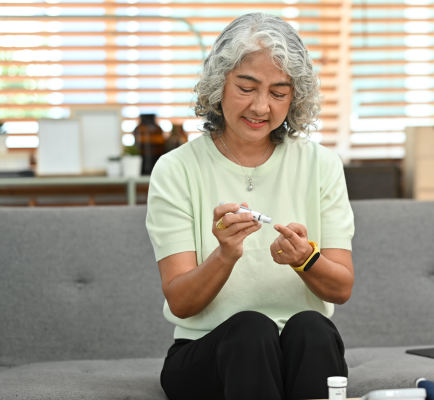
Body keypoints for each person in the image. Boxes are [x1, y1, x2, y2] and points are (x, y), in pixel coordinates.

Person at [145, 12, 355, 400]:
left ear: (295, 98)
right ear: (217, 85)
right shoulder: (176, 169)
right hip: (207, 353)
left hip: (298, 353)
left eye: (278, 93)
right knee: (251, 329)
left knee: (312, 326)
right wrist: (225, 254)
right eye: (246, 87)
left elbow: (341, 288)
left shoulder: (321, 165)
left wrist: (305, 259)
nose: (261, 107)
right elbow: (181, 301)